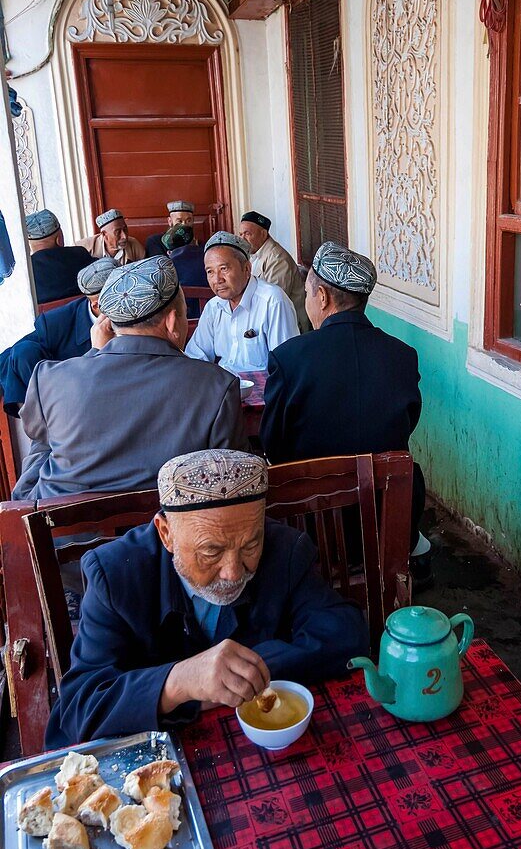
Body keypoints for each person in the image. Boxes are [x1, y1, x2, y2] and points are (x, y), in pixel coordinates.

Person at [45, 449, 370, 747]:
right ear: (166, 533)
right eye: (211, 551)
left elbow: (345, 633)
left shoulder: (284, 551)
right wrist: (178, 683)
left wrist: (236, 677)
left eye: (249, 546)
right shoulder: (116, 575)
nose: (232, 572)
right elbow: (78, 708)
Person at [260, 241, 432, 588]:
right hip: (388, 519)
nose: (307, 301)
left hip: (311, 524)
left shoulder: (289, 358)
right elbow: (406, 425)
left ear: (322, 297)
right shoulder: (403, 356)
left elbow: (274, 446)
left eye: (307, 292)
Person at [12, 256, 247, 501]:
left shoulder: (51, 379)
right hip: (169, 535)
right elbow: (229, 480)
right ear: (172, 321)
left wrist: (95, 355)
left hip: (63, 535)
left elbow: (40, 446)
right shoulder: (218, 385)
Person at [0, 257, 116, 418]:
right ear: (96, 304)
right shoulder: (56, 323)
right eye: (119, 296)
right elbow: (13, 355)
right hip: (78, 403)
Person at [186, 231, 299, 375]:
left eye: (224, 269)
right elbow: (196, 357)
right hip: (225, 389)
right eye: (210, 272)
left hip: (265, 392)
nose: (217, 279)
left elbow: (287, 366)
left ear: (247, 269)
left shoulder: (273, 301)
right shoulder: (214, 307)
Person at [239, 211, 309, 332]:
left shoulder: (278, 260)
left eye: (247, 234)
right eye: (240, 234)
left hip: (288, 325)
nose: (242, 239)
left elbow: (272, 303)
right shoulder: (253, 253)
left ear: (263, 234)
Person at [25, 209, 93, 305]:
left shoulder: (26, 270)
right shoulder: (79, 254)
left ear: (29, 245)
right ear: (59, 239)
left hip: (46, 319)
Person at [160, 223, 207, 318]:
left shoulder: (165, 268)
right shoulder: (209, 258)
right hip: (213, 314)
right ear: (194, 241)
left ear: (169, 251)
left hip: (181, 319)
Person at [78, 208, 145, 265]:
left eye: (125, 230)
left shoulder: (135, 246)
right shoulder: (84, 248)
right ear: (104, 234)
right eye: (118, 232)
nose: (124, 236)